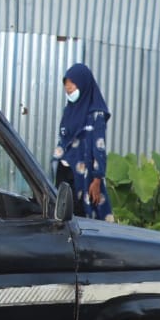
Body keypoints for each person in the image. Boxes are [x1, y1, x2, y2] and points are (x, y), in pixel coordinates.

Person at [53, 63, 112, 221]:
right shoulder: (69, 110)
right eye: (66, 83)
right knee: (62, 214)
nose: (68, 87)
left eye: (72, 83)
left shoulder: (95, 114)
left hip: (83, 175)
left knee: (81, 215)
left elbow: (99, 146)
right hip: (64, 171)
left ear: (83, 83)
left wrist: (97, 178)